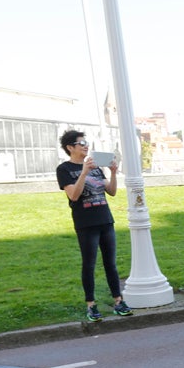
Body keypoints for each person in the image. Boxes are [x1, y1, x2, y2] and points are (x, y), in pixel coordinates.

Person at [56, 130, 133, 322]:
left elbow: (112, 191)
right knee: (89, 264)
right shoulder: (64, 169)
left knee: (111, 264)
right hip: (86, 223)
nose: (85, 145)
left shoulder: (97, 167)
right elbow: (74, 195)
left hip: (105, 220)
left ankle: (118, 301)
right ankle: (91, 305)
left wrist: (114, 173)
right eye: (81, 142)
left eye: (86, 142)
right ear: (70, 147)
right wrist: (84, 172)